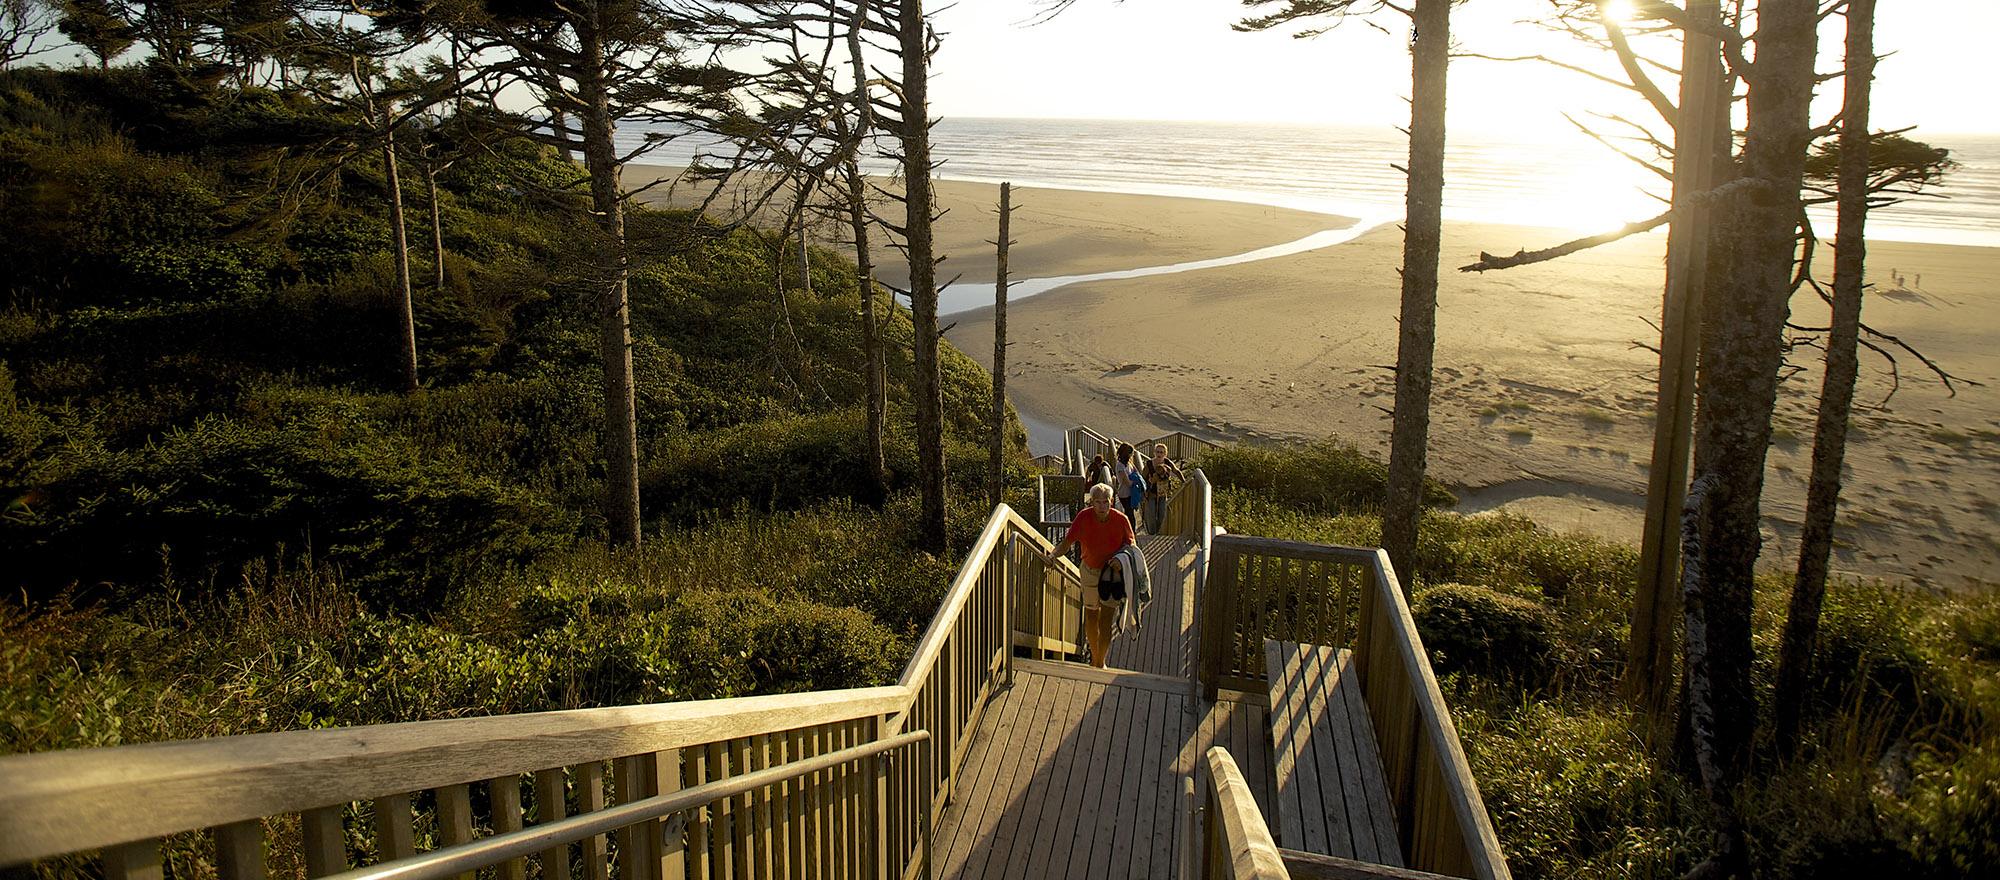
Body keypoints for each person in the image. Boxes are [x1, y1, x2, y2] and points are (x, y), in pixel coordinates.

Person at [1046, 483, 1135, 668]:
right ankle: (1095, 658)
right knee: (1092, 616)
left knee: (1106, 620)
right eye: (1098, 502)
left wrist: (1121, 559)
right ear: (1092, 503)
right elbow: (1067, 542)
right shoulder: (1083, 518)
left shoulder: (1121, 519)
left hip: (1112, 575)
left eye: (1106, 502)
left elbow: (1131, 546)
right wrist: (1053, 555)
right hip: (1090, 572)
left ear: (1112, 501)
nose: (1103, 507)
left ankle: (1100, 662)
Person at [1143, 443, 1185, 531]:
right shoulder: (1149, 463)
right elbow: (1143, 477)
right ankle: (1152, 532)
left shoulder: (1167, 462)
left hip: (1163, 492)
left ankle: (1159, 530)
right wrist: (1144, 490)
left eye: (1161, 452)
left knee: (1162, 513)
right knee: (1151, 513)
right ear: (1154, 452)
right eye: (1157, 452)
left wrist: (1184, 481)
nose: (1159, 454)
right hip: (1151, 492)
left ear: (1165, 453)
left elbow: (1176, 471)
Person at [1114, 443, 1145, 531]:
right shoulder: (1120, 465)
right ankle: (1130, 532)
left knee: (1131, 513)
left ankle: (1130, 531)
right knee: (1129, 514)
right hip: (1124, 493)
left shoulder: (1129, 463)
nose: (1132, 455)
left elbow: (1136, 472)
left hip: (1130, 493)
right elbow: (1127, 482)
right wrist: (1136, 483)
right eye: (1131, 453)